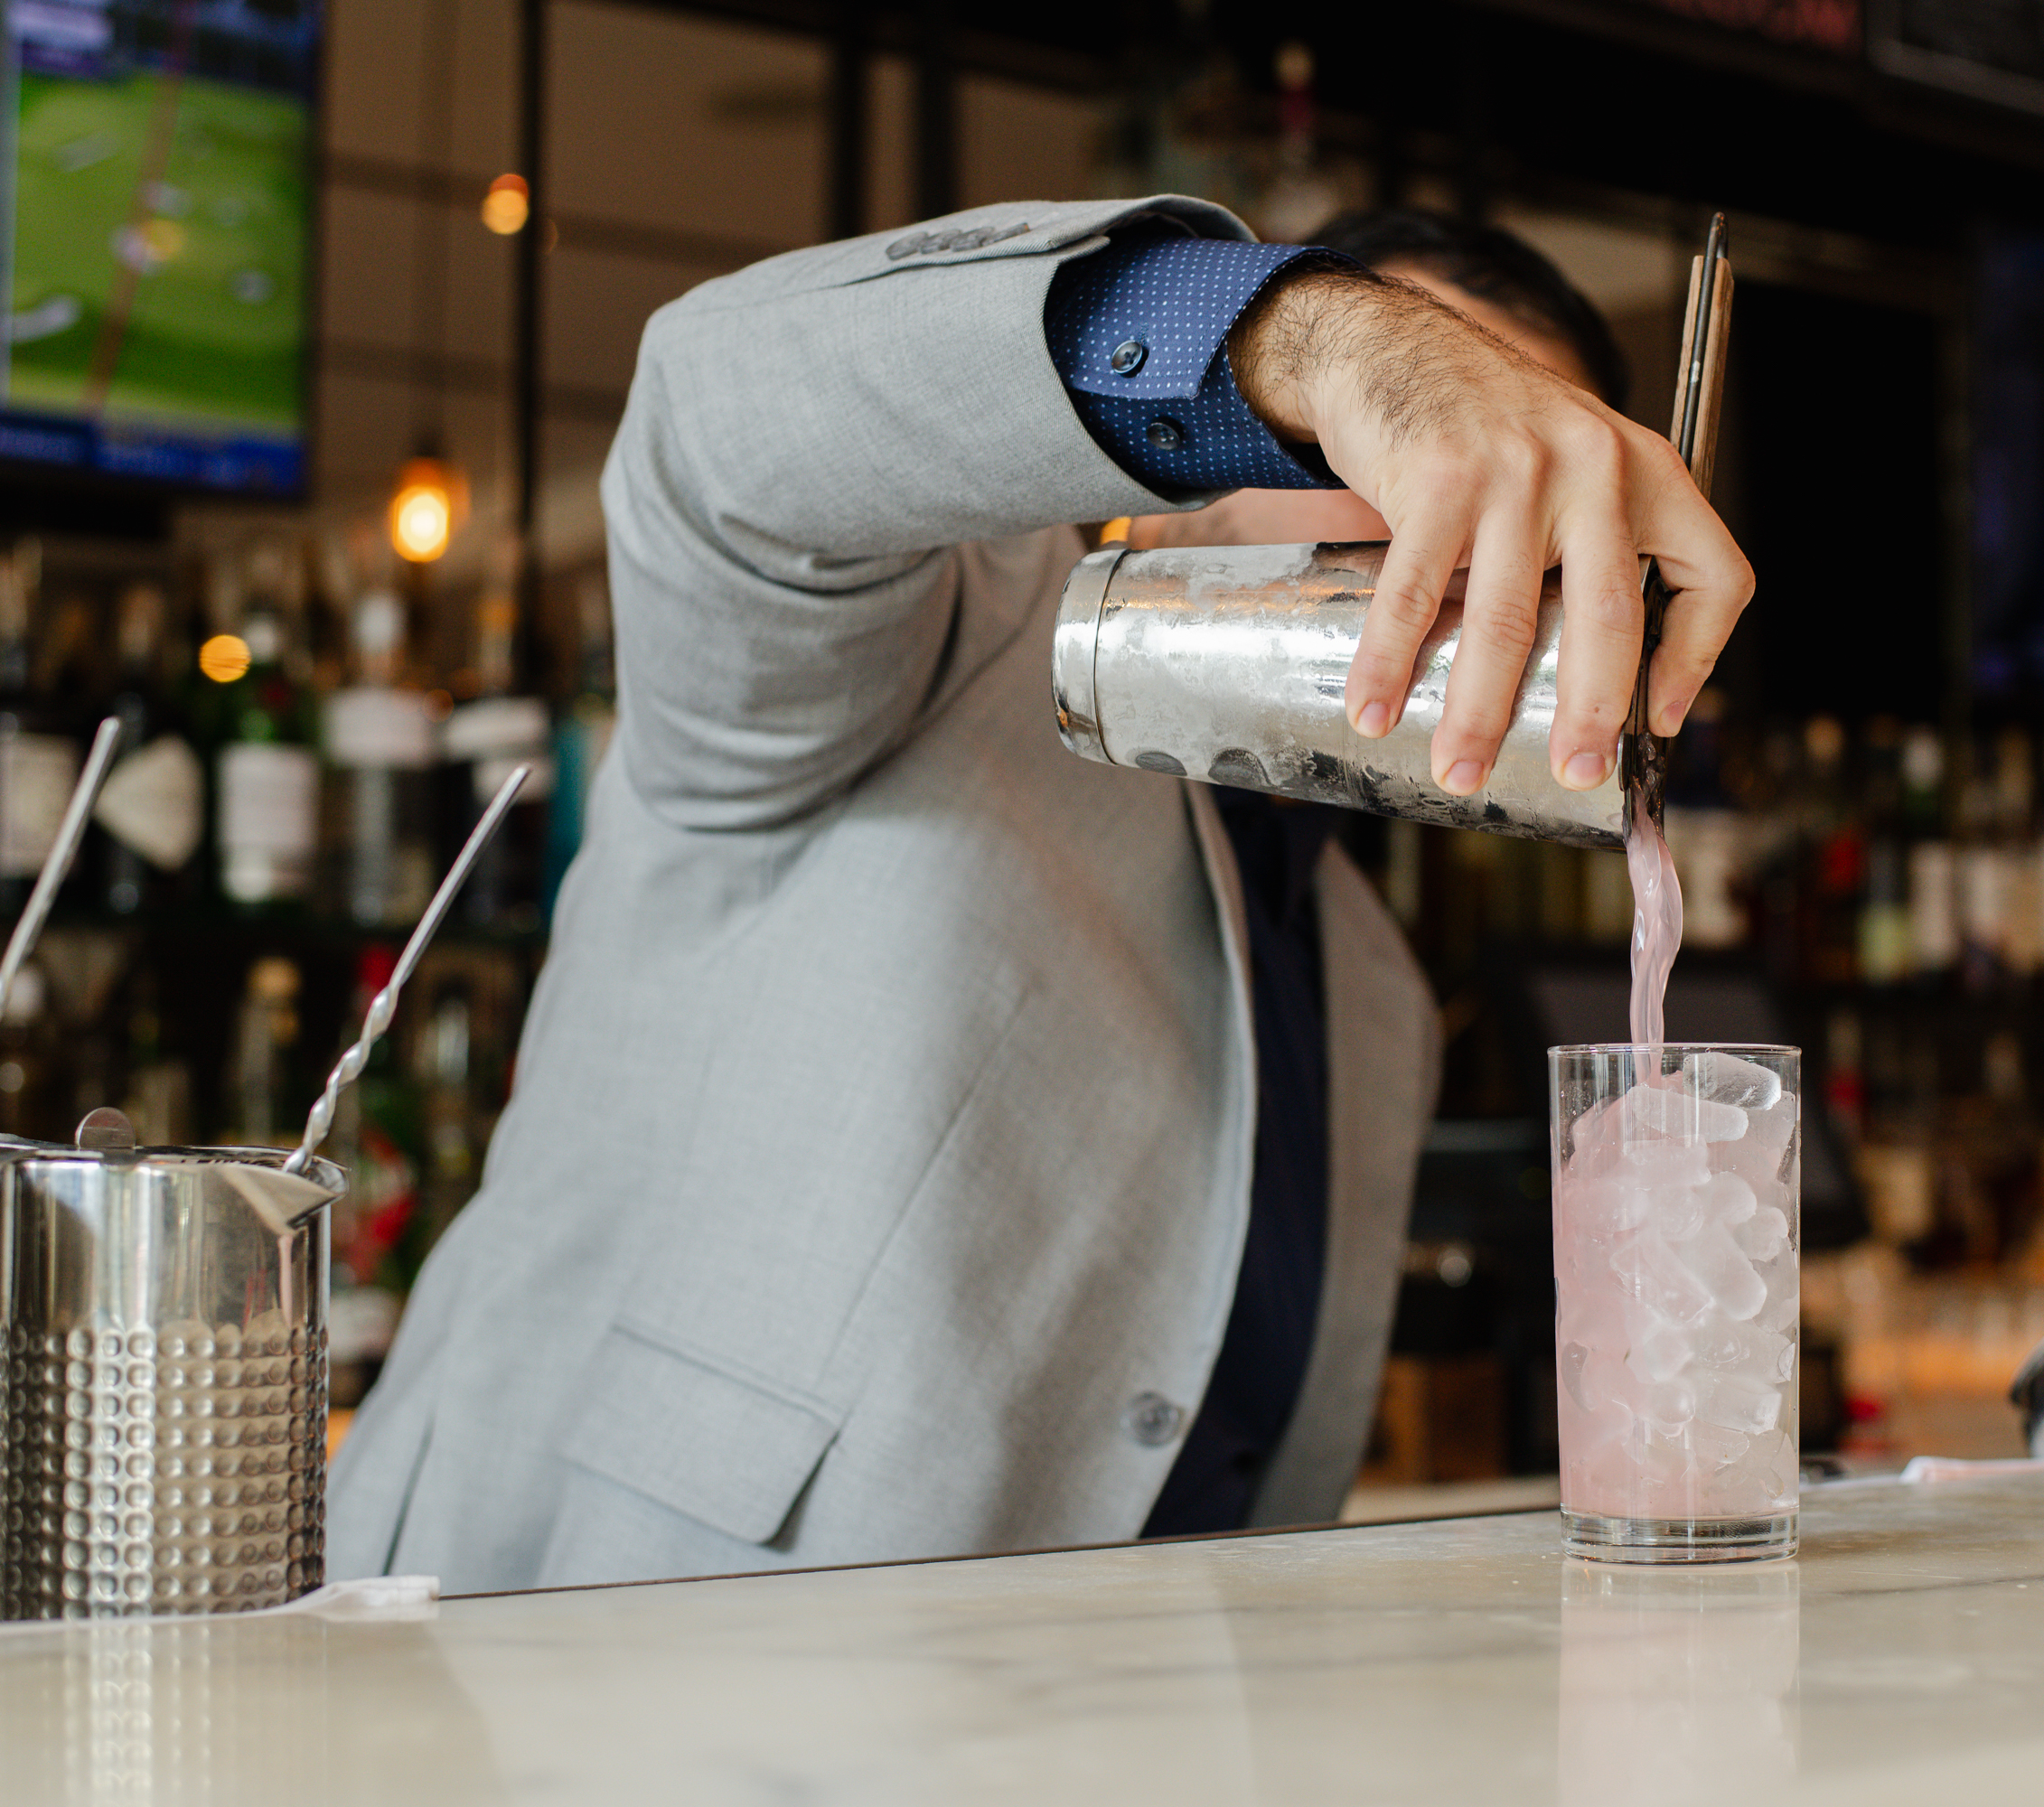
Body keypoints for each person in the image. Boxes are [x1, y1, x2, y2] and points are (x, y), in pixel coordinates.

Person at [327, 195, 1751, 1590]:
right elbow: (719, 423)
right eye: (1403, 452)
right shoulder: (931, 637)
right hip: (571, 1658)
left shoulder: (1378, 994)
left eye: (1522, 522)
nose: (1435, 547)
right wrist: (1327, 346)